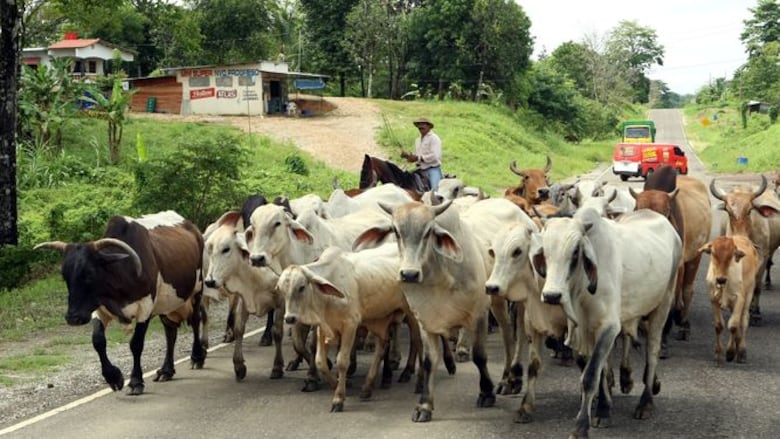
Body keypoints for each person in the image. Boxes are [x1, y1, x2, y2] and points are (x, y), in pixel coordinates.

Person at [401, 117, 443, 191]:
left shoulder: (434, 138)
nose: (420, 126)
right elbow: (418, 155)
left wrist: (418, 158)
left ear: (429, 126)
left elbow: (436, 156)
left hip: (432, 169)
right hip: (419, 168)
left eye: (423, 124)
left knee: (435, 191)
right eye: (419, 124)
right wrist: (408, 156)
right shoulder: (417, 140)